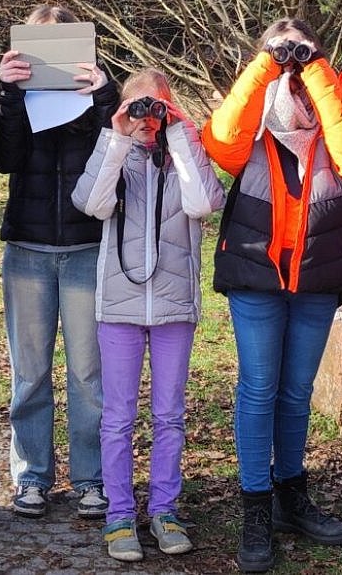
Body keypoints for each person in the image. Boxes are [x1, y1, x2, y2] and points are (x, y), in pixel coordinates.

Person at [201, 18, 342, 572]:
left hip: (316, 277)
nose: (290, 62)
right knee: (260, 388)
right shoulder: (254, 119)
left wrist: (315, 69)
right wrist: (266, 64)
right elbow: (221, 142)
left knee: (297, 391)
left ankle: (290, 495)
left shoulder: (336, 111)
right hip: (256, 274)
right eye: (283, 53)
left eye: (299, 53)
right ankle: (256, 506)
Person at [72, 69, 225, 562]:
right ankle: (119, 515)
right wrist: (116, 137)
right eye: (137, 106)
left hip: (175, 308)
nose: (146, 118)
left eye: (156, 107)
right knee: (117, 417)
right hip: (118, 308)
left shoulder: (184, 154)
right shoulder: (113, 152)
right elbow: (91, 203)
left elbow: (204, 202)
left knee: (169, 416)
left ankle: (165, 509)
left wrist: (180, 133)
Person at [0, 3, 119, 520]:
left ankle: (90, 478)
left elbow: (117, 154)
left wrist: (105, 96)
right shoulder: (17, 96)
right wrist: (9, 96)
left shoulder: (100, 91)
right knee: (30, 372)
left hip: (88, 247)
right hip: (28, 247)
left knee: (89, 374)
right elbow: (5, 160)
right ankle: (32, 478)